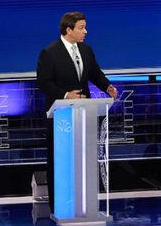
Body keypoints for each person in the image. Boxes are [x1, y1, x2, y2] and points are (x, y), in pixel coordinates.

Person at [36, 12, 117, 212]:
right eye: (81, 27)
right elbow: (43, 82)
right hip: (60, 116)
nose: (85, 31)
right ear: (68, 30)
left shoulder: (86, 50)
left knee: (84, 156)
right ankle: (59, 206)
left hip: (83, 113)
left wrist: (107, 87)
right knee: (59, 159)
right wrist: (66, 95)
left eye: (85, 27)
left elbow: (94, 73)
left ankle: (85, 202)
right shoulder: (49, 52)